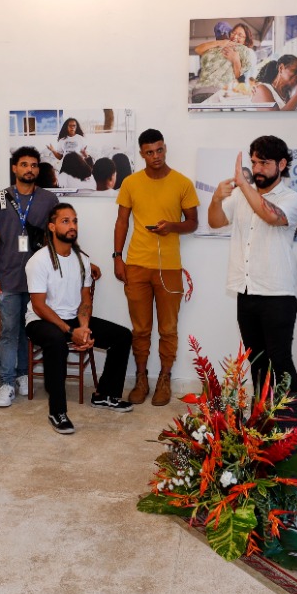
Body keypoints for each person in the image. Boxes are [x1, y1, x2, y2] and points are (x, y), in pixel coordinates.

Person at [207, 136, 297, 395]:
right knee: (257, 362)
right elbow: (215, 222)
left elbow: (272, 217)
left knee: (280, 361)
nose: (258, 168)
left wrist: (244, 185)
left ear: (282, 164)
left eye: (264, 162)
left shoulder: (292, 198)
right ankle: (259, 421)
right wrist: (216, 199)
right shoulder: (241, 196)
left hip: (278, 293)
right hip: (246, 291)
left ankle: (292, 424)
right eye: (254, 162)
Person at [25, 204, 132, 433]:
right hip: (40, 320)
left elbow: (85, 299)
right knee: (56, 342)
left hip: (73, 319)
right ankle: (57, 411)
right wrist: (69, 331)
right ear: (52, 227)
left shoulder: (81, 259)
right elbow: (39, 305)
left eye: (74, 221)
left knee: (122, 336)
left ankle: (105, 395)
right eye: (65, 221)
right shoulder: (39, 260)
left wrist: (83, 329)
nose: (72, 226)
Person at [113, 129, 198, 406]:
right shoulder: (131, 183)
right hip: (136, 264)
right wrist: (117, 257)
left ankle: (164, 378)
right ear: (142, 154)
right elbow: (122, 222)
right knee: (140, 329)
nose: (156, 156)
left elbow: (193, 223)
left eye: (159, 150)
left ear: (165, 148)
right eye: (149, 152)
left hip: (169, 268)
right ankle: (140, 377)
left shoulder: (182, 183)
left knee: (168, 329)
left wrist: (172, 226)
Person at [0, 148, 59, 407]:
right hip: (7, 276)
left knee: (28, 331)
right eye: (24, 164)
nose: (30, 169)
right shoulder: (0, 198)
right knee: (9, 331)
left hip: (38, 279)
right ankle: (6, 382)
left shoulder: (49, 200)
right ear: (14, 168)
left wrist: (83, 260)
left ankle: (23, 374)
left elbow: (58, 237)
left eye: (34, 165)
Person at [192, 22, 257, 100]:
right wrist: (220, 43)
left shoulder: (249, 52)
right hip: (211, 92)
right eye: (233, 33)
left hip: (239, 95)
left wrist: (235, 60)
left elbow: (242, 80)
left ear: (246, 40)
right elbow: (198, 49)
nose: (235, 36)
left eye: (240, 35)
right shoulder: (225, 49)